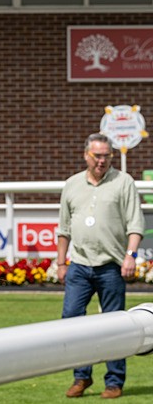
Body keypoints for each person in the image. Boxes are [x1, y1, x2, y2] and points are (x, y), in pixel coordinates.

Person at [57, 134, 144, 399]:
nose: (102, 160)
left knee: (115, 325)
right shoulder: (72, 184)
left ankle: (114, 381)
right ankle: (81, 377)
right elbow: (63, 228)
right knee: (72, 322)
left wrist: (130, 255)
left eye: (107, 155)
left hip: (111, 266)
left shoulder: (124, 182)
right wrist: (61, 262)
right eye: (97, 155)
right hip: (79, 266)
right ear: (86, 155)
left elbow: (135, 224)